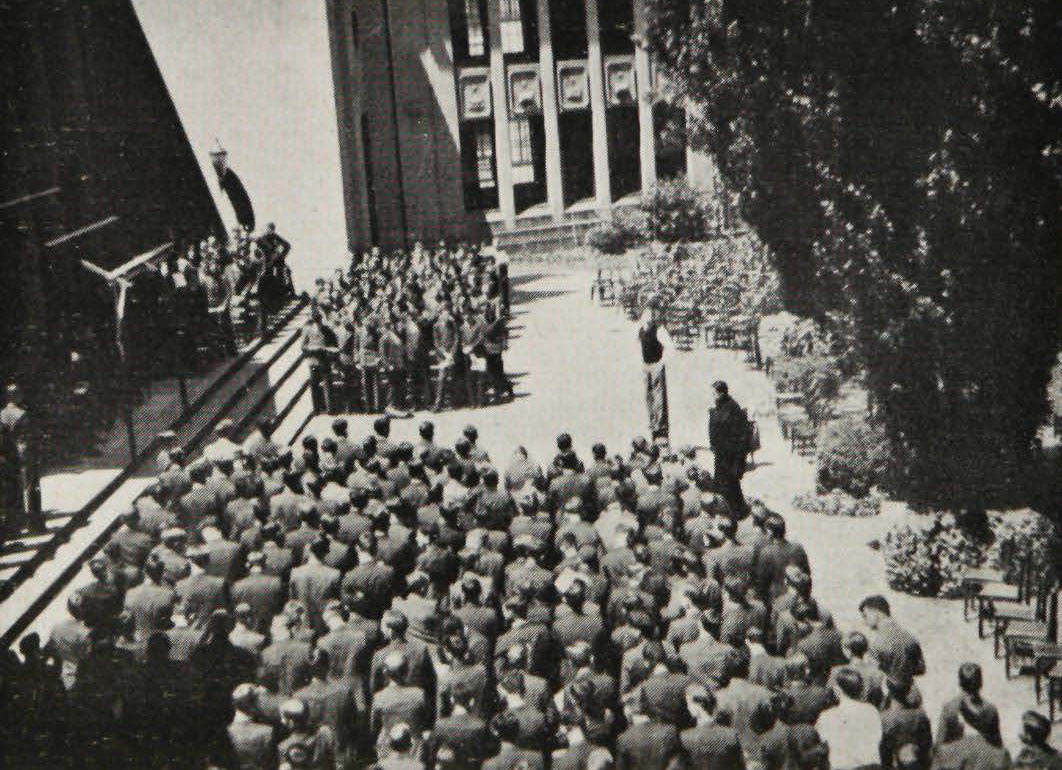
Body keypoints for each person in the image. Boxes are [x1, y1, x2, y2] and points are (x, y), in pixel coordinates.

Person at [1, 383, 44, 536]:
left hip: (8, 455)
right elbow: (28, 436)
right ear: (15, 395)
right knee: (31, 487)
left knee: (14, 491)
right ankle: (35, 524)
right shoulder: (22, 414)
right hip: (24, 451)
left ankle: (16, 526)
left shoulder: (2, 415)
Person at [707, 381, 750, 518]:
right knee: (729, 484)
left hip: (729, 456)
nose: (712, 396)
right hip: (723, 455)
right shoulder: (725, 406)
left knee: (728, 484)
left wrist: (713, 415)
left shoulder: (731, 409)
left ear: (721, 393)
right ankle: (734, 510)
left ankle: (731, 512)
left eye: (714, 394)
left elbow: (737, 435)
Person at [637, 300, 672, 443]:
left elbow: (669, 346)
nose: (648, 318)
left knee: (659, 396)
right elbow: (637, 345)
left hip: (656, 365)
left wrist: (662, 362)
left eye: (650, 315)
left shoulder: (659, 330)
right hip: (646, 366)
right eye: (645, 315)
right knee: (648, 395)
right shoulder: (641, 330)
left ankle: (660, 425)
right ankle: (652, 421)